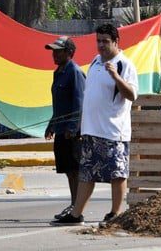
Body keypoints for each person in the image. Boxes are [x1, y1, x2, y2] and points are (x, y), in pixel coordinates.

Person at [52, 24, 139, 226]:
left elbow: (132, 95)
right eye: (98, 41)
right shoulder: (95, 62)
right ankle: (76, 214)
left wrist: (116, 77)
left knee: (117, 173)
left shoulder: (123, 65)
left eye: (105, 41)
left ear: (116, 42)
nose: (100, 45)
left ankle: (115, 213)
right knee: (87, 173)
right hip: (91, 130)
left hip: (113, 131)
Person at [44, 36, 86, 221]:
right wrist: (52, 124)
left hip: (72, 132)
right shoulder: (58, 72)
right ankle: (73, 204)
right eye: (53, 50)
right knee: (68, 170)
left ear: (69, 53)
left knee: (75, 170)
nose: (54, 54)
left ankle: (77, 208)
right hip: (61, 129)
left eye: (58, 51)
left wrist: (73, 127)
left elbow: (79, 103)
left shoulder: (75, 72)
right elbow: (58, 104)